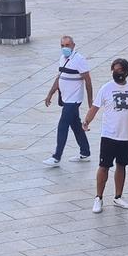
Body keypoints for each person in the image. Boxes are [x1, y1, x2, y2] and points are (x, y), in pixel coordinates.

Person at [82, 59, 128, 214]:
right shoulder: (106, 89)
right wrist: (86, 121)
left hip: (126, 136)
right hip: (109, 135)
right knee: (104, 166)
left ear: (126, 72)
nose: (117, 72)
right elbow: (95, 107)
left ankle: (118, 197)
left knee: (121, 166)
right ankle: (98, 198)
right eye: (114, 69)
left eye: (120, 70)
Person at [43, 36, 93, 167]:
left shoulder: (79, 60)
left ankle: (56, 156)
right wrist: (50, 93)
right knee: (75, 125)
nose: (65, 48)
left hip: (74, 100)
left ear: (73, 45)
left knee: (63, 125)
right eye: (62, 45)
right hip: (65, 98)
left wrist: (90, 101)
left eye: (67, 45)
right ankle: (85, 152)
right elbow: (60, 77)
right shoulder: (62, 58)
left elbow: (88, 81)